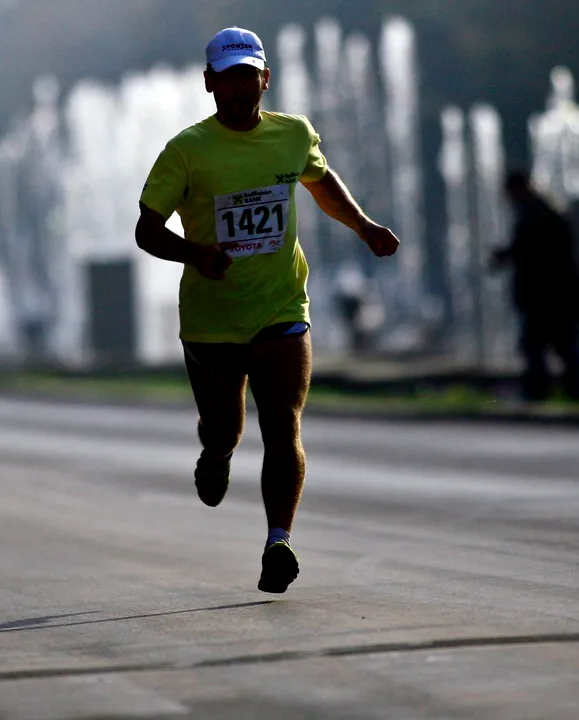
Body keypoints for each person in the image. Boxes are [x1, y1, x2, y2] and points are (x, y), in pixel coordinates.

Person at [135, 27, 400, 594]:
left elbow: (322, 184)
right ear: (209, 84)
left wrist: (366, 227)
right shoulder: (186, 150)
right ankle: (216, 451)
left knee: (282, 421)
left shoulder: (292, 134)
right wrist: (195, 252)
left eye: (248, 76)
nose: (239, 88)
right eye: (227, 78)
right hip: (212, 316)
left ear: (266, 78)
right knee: (226, 427)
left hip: (281, 305)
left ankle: (278, 541)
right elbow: (147, 231)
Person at [492, 171, 579, 402]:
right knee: (563, 345)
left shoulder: (533, 215)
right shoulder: (545, 212)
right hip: (553, 294)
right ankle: (576, 392)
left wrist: (505, 255)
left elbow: (531, 253)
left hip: (543, 295)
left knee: (540, 346)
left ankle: (543, 392)